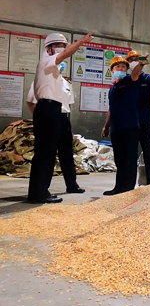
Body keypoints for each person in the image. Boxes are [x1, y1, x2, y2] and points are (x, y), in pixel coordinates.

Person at [28, 32, 93, 204]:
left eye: (63, 46)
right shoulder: (46, 61)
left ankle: (39, 191)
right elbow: (66, 54)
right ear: (49, 48)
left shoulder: (56, 73)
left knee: (47, 153)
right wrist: (80, 42)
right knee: (45, 154)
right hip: (47, 108)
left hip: (53, 110)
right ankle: (39, 193)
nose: (62, 49)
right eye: (58, 45)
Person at [102, 50, 150, 185]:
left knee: (146, 151)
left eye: (137, 59)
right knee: (125, 155)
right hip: (124, 123)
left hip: (142, 120)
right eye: (131, 60)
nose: (134, 62)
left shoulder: (142, 79)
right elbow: (112, 107)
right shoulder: (119, 84)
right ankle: (121, 186)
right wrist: (107, 125)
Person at [27, 62, 85, 195]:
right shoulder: (42, 81)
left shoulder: (66, 83)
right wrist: (42, 119)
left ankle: (72, 185)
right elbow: (31, 102)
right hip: (48, 117)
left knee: (67, 153)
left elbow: (69, 104)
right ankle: (42, 189)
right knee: (48, 154)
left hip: (63, 118)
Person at [102, 55, 146, 195]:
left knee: (129, 160)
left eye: (123, 67)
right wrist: (106, 126)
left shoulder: (130, 81)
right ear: (112, 70)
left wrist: (141, 63)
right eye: (118, 66)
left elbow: (136, 72)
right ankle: (118, 188)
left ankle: (128, 190)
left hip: (130, 127)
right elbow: (111, 108)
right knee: (119, 160)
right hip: (117, 128)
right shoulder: (112, 88)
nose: (120, 69)